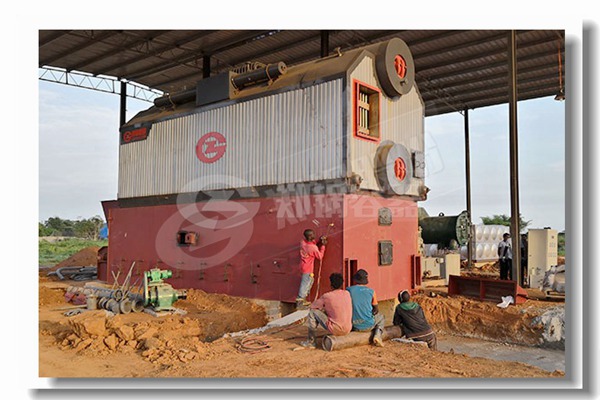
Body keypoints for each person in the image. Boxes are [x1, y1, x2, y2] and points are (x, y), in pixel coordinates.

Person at [300, 273, 353, 348]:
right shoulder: (347, 294)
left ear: (331, 285)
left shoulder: (327, 296)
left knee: (312, 312)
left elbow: (313, 307)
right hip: (348, 329)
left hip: (335, 329)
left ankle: (311, 341)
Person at [346, 269, 385, 347]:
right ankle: (377, 335)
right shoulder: (371, 291)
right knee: (381, 317)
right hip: (368, 325)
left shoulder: (348, 290)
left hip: (354, 325)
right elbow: (376, 310)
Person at [296, 229, 326, 306]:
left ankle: (303, 300)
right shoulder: (312, 247)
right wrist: (323, 246)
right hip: (308, 268)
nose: (314, 235)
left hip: (303, 266)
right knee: (305, 284)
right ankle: (300, 302)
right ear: (309, 236)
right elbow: (320, 256)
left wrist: (319, 241)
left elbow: (311, 244)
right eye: (313, 234)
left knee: (307, 283)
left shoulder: (303, 243)